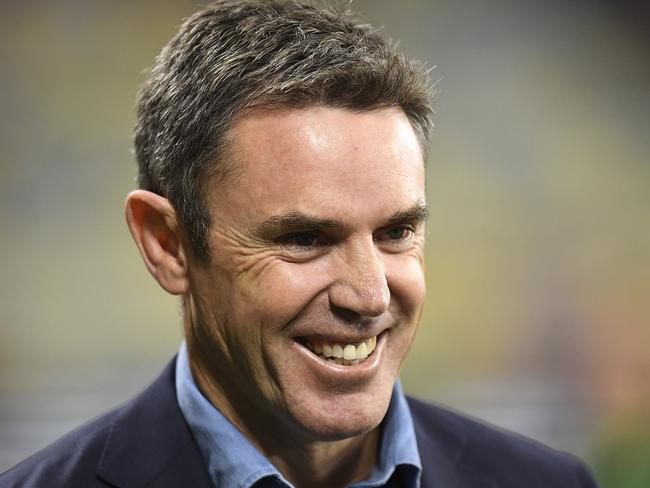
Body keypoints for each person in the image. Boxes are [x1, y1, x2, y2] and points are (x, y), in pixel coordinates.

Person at [1, 1, 600, 487]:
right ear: (168, 245)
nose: (368, 296)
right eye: (305, 238)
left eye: (396, 232)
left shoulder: (549, 480)